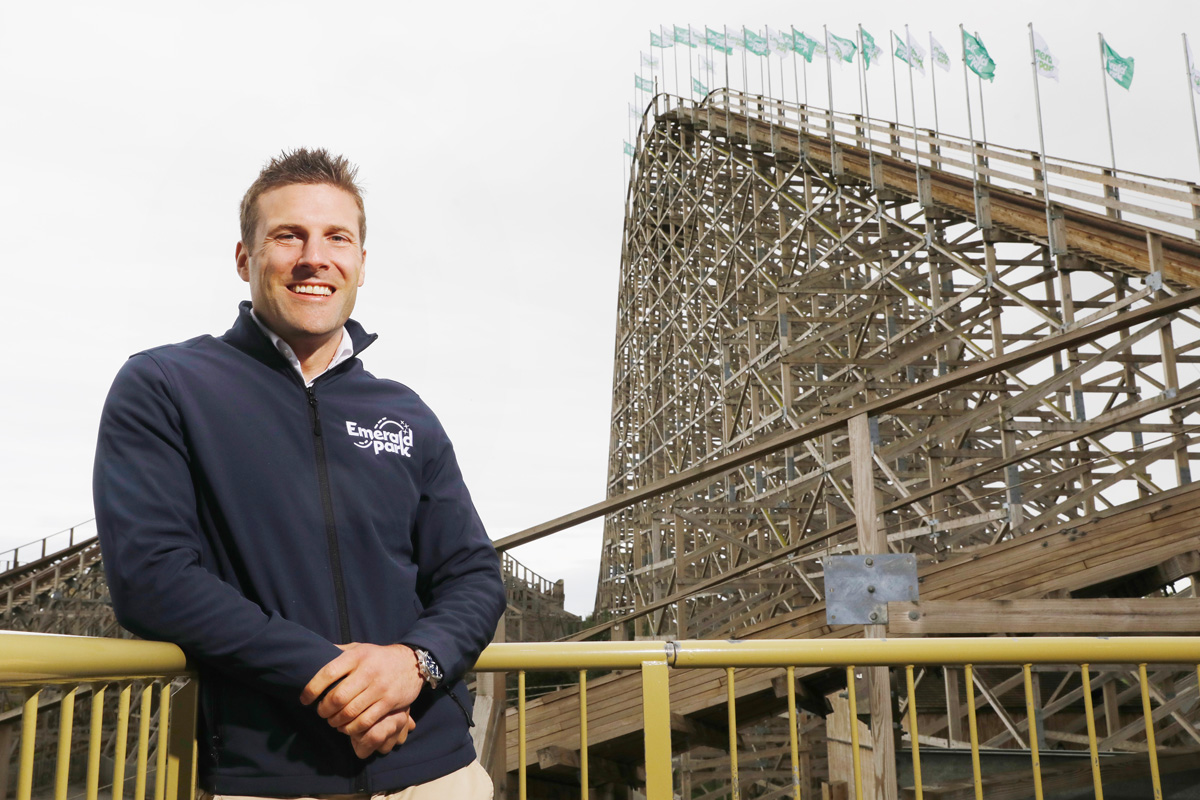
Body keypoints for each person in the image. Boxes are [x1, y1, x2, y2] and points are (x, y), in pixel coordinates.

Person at [93, 148, 506, 798]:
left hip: (437, 770)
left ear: (361, 264)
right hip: (269, 777)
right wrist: (335, 679)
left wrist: (414, 664)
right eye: (290, 235)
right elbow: (153, 577)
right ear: (244, 258)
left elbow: (473, 574)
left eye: (338, 237)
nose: (316, 257)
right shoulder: (165, 385)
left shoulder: (406, 412)